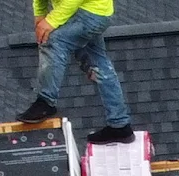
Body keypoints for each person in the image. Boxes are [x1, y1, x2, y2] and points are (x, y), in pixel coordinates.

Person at [19, 0, 136, 145]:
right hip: (90, 11)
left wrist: (50, 21)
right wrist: (40, 15)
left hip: (89, 11)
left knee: (53, 41)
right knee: (99, 64)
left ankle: (46, 102)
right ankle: (120, 125)